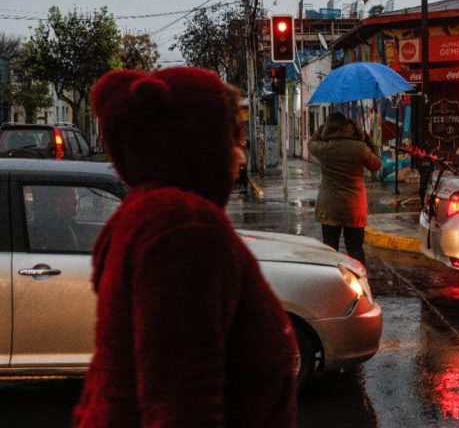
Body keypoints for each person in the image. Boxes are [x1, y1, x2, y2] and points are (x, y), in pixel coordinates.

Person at [73, 67, 297, 427]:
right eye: (233, 139)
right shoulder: (184, 228)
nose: (240, 157)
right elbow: (183, 405)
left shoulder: (144, 215)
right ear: (199, 143)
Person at [309, 112, 381, 266]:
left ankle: (331, 280)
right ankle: (359, 280)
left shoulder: (323, 147)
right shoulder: (359, 148)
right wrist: (368, 140)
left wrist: (320, 130)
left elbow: (311, 143)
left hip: (329, 207)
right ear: (350, 128)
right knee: (355, 248)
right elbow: (376, 165)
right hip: (354, 207)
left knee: (330, 248)